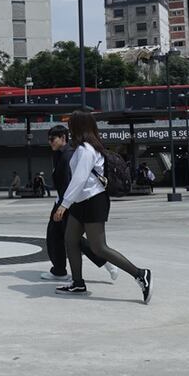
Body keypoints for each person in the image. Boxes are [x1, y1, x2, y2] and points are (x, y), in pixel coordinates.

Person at [52, 112, 152, 302]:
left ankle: (140, 274)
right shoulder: (84, 148)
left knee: (99, 247)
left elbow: (80, 178)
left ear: (78, 127)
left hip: (93, 200)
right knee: (70, 240)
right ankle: (78, 283)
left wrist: (64, 204)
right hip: (82, 201)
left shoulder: (86, 150)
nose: (69, 129)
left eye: (71, 125)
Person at [42, 124, 119, 283]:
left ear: (63, 138)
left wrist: (64, 205)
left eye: (52, 139)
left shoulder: (69, 154)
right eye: (49, 140)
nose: (50, 143)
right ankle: (59, 270)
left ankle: (106, 262)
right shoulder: (60, 154)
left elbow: (74, 181)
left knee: (75, 240)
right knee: (55, 236)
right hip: (63, 201)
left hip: (68, 203)